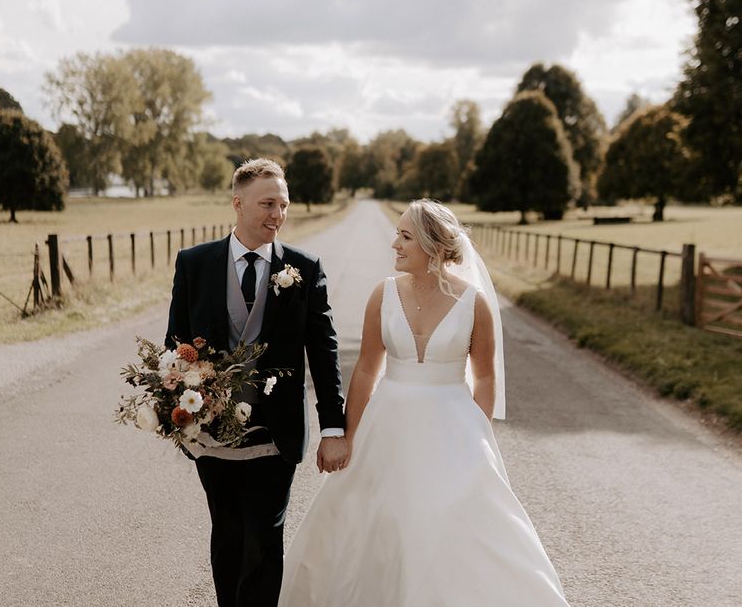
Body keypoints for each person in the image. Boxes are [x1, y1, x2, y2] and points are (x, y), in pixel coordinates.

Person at [278, 199, 569, 606]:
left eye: (405, 236)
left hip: (452, 429)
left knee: (446, 525)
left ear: (432, 246)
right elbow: (365, 370)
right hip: (388, 426)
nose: (394, 244)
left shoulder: (474, 304)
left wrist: (477, 437)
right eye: (397, 233)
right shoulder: (383, 294)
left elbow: (485, 376)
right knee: (375, 524)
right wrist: (347, 435)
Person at [164, 158, 349, 607]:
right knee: (226, 533)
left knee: (265, 538)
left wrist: (333, 428)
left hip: (275, 434)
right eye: (268, 203)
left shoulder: (304, 268)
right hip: (212, 436)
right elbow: (175, 344)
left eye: (283, 205)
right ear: (238, 203)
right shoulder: (195, 264)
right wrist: (176, 412)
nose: (277, 215)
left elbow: (323, 354)